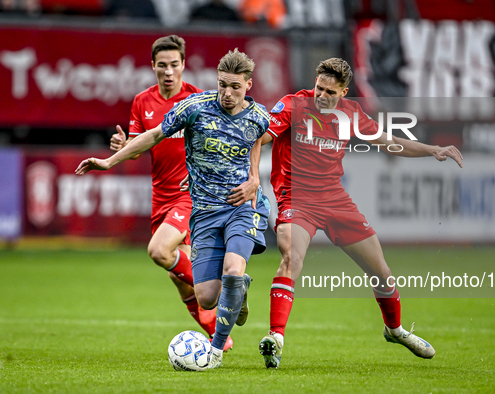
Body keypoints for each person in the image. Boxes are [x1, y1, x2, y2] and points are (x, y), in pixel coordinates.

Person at [257, 58, 464, 369]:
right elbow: (261, 137)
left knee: (381, 272)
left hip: (336, 200)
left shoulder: (351, 113)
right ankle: (276, 338)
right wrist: (247, 174)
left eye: (330, 91)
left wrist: (432, 150)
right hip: (296, 197)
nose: (322, 96)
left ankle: (394, 330)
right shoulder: (292, 106)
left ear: (344, 92)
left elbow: (390, 143)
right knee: (291, 257)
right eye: (318, 88)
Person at [79, 48, 270, 367]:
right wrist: (109, 161)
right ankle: (238, 292)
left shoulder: (259, 115)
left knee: (233, 268)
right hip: (205, 211)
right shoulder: (195, 107)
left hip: (242, 206)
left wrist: (254, 179)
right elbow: (154, 135)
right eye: (222, 84)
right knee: (207, 296)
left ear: (248, 85)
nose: (227, 92)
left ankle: (216, 352)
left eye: (235, 87)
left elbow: (258, 138)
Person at [108, 35, 235, 351]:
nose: (168, 71)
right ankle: (221, 338)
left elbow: (220, 143)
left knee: (159, 251)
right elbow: (139, 148)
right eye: (161, 65)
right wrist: (124, 148)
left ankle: (228, 290)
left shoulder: (197, 99)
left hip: (191, 194)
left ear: (183, 65)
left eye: (174, 65)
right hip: (161, 197)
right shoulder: (142, 102)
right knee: (177, 276)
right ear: (153, 66)